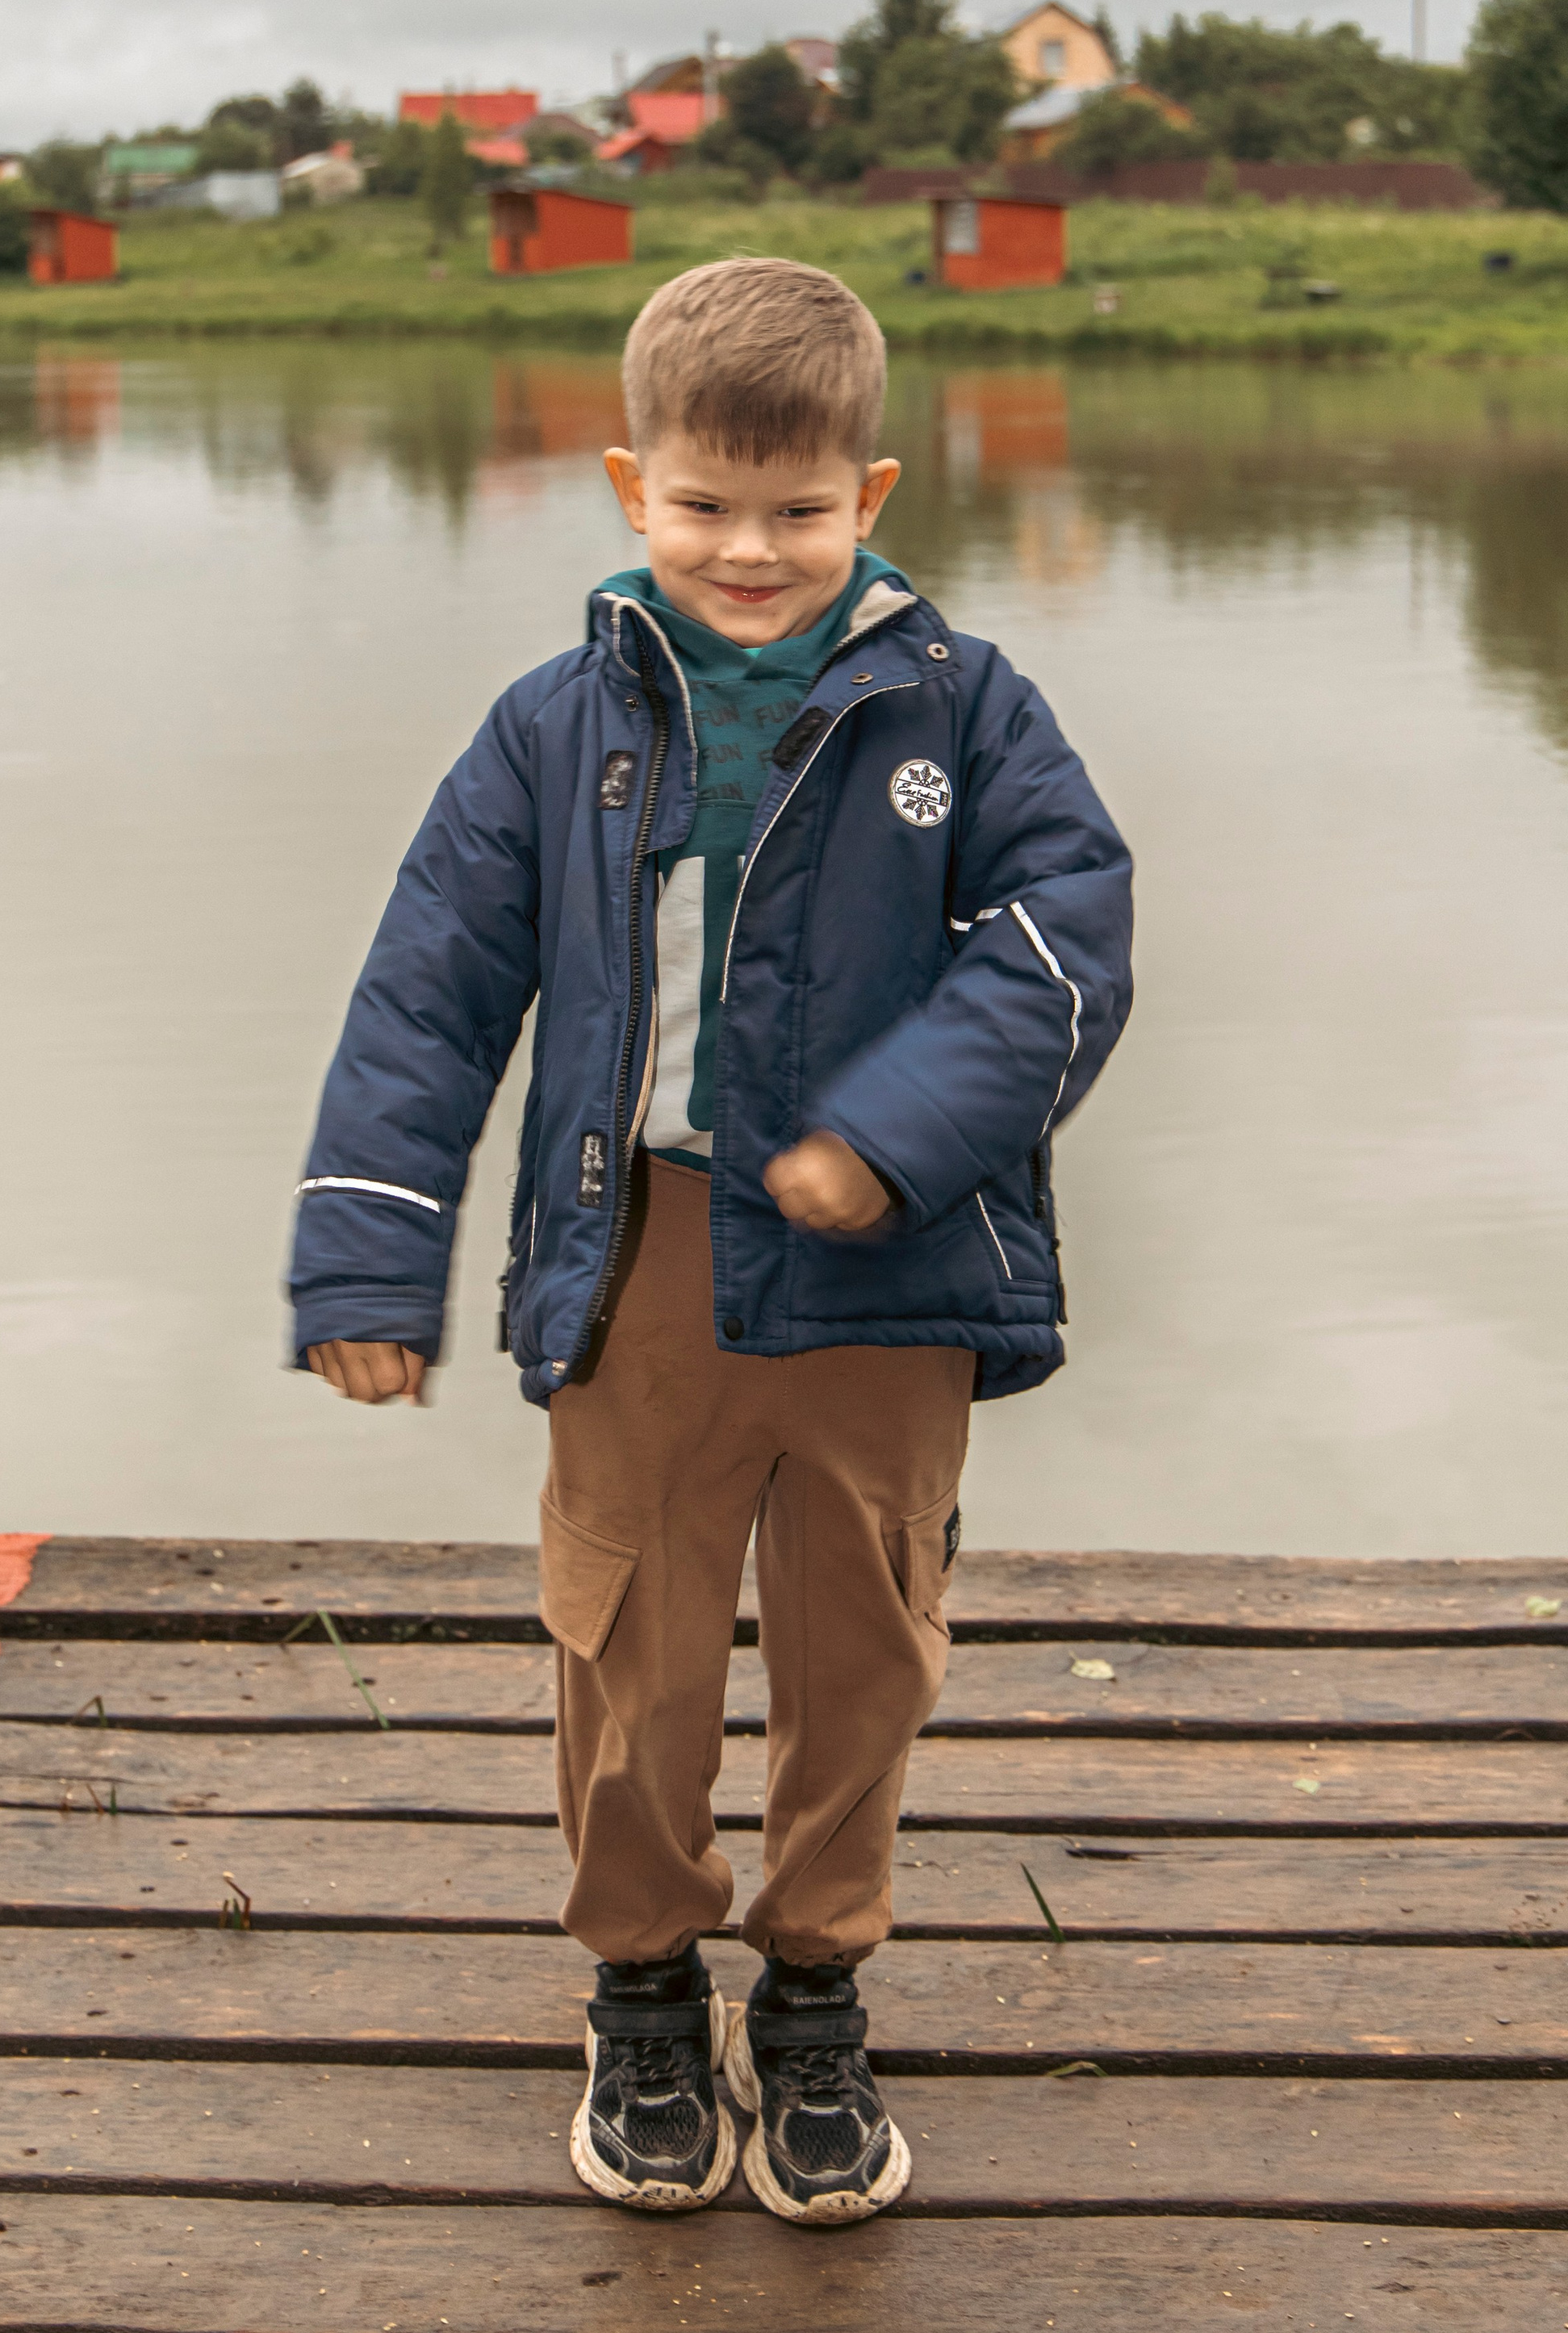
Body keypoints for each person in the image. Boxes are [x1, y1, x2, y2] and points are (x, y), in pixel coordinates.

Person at [289, 257, 1133, 2226]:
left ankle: (818, 1990)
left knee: (863, 1649)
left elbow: (1059, 950)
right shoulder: (550, 727)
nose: (748, 553)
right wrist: (363, 1262)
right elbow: (427, 992)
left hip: (885, 1269)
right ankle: (646, 1988)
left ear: (875, 496)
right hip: (637, 1256)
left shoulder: (968, 710)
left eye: (798, 511)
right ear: (625, 485)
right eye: (701, 507)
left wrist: (887, 1139)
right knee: (630, 1646)